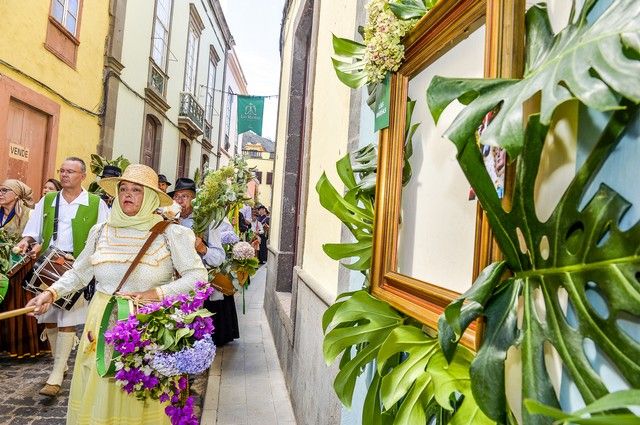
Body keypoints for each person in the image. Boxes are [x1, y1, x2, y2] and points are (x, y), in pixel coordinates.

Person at [26, 164, 207, 424]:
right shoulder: (100, 231)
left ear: (152, 197)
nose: (127, 194)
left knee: (142, 392)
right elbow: (79, 273)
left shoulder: (171, 233)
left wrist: (158, 293)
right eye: (123, 189)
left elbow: (197, 277)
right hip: (101, 324)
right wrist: (51, 293)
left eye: (136, 190)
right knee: (101, 388)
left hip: (148, 325)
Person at [15, 157, 110, 397]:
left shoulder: (96, 203)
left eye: (71, 171)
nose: (65, 175)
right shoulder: (48, 200)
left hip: (77, 268)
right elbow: (33, 231)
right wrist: (26, 241)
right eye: (62, 171)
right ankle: (62, 363)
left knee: (67, 320)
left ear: (83, 176)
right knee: (48, 318)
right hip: (48, 266)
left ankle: (56, 374)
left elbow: (104, 237)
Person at [170, 177, 240, 346]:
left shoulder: (206, 222)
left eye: (185, 196)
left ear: (194, 199)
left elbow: (218, 258)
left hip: (198, 286)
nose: (180, 200)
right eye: (177, 196)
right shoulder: (168, 220)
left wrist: (203, 249)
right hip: (173, 286)